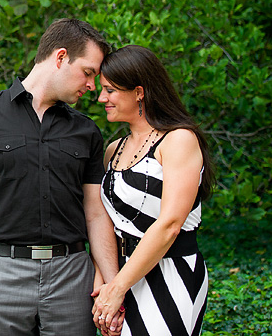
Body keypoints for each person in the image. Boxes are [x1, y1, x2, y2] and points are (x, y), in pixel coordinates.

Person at [0, 18, 123, 336]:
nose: (93, 86)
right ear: (60, 57)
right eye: (88, 72)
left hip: (72, 278)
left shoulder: (86, 130)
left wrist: (112, 286)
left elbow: (96, 212)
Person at [91, 45, 214, 336]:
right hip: (119, 275)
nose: (101, 98)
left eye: (110, 90)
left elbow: (170, 224)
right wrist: (104, 287)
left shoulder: (179, 140)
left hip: (170, 275)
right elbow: (108, 224)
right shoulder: (113, 151)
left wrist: (117, 289)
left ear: (139, 92)